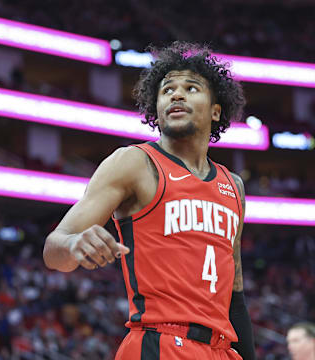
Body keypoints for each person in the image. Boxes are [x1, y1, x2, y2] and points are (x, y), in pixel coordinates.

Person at [43, 41, 256, 360]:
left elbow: (234, 295)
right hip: (160, 343)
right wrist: (74, 245)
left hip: (220, 350)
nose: (177, 94)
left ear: (216, 110)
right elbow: (53, 250)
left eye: (192, 87)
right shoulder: (134, 163)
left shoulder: (233, 186)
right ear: (155, 108)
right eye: (166, 89)